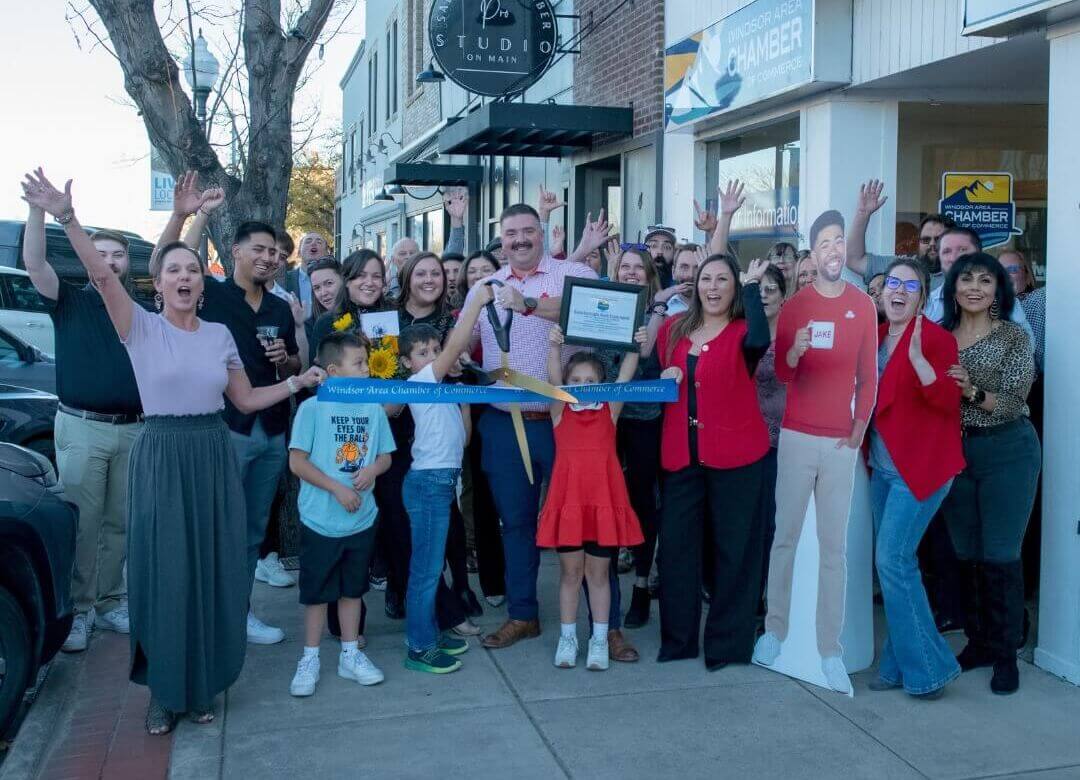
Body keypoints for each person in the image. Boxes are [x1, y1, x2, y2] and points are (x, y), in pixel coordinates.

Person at [23, 170, 324, 734]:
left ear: (201, 284)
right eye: (173, 271)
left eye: (192, 270)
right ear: (157, 284)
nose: (183, 277)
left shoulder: (218, 336)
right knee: (163, 576)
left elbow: (246, 397)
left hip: (212, 451)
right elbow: (98, 274)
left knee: (209, 572)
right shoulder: (138, 326)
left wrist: (296, 382)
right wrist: (66, 216)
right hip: (161, 453)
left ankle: (200, 683)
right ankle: (164, 690)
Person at [465, 204, 638, 663]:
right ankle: (524, 614)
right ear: (500, 238)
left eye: (527, 231)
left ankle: (609, 629)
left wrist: (530, 305)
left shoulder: (571, 272)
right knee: (517, 524)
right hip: (506, 423)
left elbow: (608, 309)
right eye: (510, 233)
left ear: (542, 234)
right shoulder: (484, 288)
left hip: (574, 426)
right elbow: (461, 344)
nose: (519, 240)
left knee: (592, 524)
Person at [168, 198, 303, 646]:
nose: (269, 258)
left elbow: (293, 367)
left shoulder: (281, 309)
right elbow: (178, 261)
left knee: (250, 529)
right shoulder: (212, 294)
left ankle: (240, 613)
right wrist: (197, 215)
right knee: (213, 527)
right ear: (236, 251)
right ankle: (205, 618)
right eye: (260, 249)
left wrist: (287, 360)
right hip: (225, 429)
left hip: (272, 430)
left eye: (276, 253)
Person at [754, 209, 878, 694]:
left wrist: (858, 430)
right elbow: (783, 376)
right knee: (784, 537)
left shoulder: (862, 305)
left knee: (834, 548)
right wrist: (794, 352)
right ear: (813, 248)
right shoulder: (797, 306)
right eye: (824, 241)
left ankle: (830, 649)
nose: (833, 249)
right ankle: (775, 632)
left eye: (839, 240)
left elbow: (869, 377)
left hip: (841, 441)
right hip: (797, 436)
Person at [20, 169, 143, 653]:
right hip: (82, 427)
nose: (109, 261)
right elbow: (33, 262)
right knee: (84, 522)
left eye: (118, 255)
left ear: (127, 264)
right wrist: (38, 208)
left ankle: (112, 602)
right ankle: (79, 610)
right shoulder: (68, 300)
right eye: (102, 253)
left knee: (118, 522)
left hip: (132, 429)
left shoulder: (139, 308)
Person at [655, 256, 772, 669]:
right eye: (707, 278)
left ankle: (728, 647)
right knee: (677, 552)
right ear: (695, 285)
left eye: (724, 280)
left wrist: (753, 287)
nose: (714, 287)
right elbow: (652, 374)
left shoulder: (744, 331)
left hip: (737, 457)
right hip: (681, 456)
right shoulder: (673, 330)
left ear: (734, 288)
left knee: (734, 553)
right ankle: (678, 641)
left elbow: (761, 339)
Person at [865, 260, 965, 699]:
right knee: (894, 566)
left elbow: (948, 403)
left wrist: (922, 363)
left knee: (894, 562)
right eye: (892, 282)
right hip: (883, 469)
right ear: (882, 291)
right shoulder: (873, 335)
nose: (899, 290)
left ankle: (930, 668)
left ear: (923, 296)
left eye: (910, 284)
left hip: (920, 469)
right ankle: (895, 665)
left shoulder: (937, 338)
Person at [940, 252, 1039, 696]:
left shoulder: (1015, 338)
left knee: (1001, 553)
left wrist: (970, 390)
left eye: (986, 279)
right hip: (954, 454)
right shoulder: (940, 336)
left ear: (999, 289)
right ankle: (977, 643)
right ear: (953, 288)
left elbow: (1015, 402)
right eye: (966, 279)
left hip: (1007, 450)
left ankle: (1005, 656)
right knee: (966, 551)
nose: (975, 287)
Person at [390, 287, 493, 673]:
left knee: (431, 568)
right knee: (426, 569)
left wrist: (463, 398)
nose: (434, 357)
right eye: (424, 353)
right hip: (429, 483)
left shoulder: (443, 389)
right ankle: (419, 645)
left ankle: (428, 632)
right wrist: (475, 303)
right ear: (406, 363)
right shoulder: (421, 383)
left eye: (435, 351)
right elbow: (456, 345)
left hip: (443, 479)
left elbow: (463, 441)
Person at [288, 332, 393, 697]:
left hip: (361, 519)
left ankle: (350, 655)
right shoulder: (312, 409)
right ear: (333, 370)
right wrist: (337, 488)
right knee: (317, 594)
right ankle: (310, 658)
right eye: (359, 364)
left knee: (353, 589)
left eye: (366, 362)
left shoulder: (372, 409)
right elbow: (297, 461)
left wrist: (373, 471)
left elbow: (385, 455)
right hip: (320, 519)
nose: (367, 370)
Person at [540, 327, 646, 670]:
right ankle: (567, 637)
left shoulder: (609, 411)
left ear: (602, 383)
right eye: (576, 379)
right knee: (571, 574)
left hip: (602, 501)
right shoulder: (560, 411)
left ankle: (599, 639)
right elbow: (553, 376)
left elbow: (627, 374)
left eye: (590, 379)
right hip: (569, 501)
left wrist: (635, 344)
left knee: (599, 575)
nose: (583, 384)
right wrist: (555, 347)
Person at [598, 244, 665, 628]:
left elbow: (652, 351)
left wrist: (654, 314)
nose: (632, 273)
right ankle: (604, 583)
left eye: (638, 268)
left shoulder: (660, 311)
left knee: (641, 500)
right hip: (605, 416)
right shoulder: (600, 303)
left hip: (643, 417)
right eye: (625, 267)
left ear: (649, 274)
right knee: (607, 496)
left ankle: (641, 584)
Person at [454, 250, 505, 607]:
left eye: (487, 270)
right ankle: (478, 578)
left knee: (496, 497)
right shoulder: (460, 316)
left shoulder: (512, 309)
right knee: (474, 492)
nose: (480, 275)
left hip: (502, 408)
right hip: (465, 409)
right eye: (473, 271)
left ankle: (499, 578)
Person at [923, 229, 1034, 342]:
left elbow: (1028, 346)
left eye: (962, 249)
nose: (954, 258)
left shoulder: (1006, 301)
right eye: (947, 251)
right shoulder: (927, 303)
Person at [753, 264, 788, 610]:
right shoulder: (744, 331)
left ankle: (769, 598)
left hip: (783, 442)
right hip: (749, 440)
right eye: (758, 288)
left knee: (774, 525)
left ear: (783, 295)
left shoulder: (795, 336)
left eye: (770, 289)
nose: (763, 295)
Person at [845, 179, 955, 285]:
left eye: (938, 239)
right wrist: (863, 214)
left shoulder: (964, 276)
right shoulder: (901, 266)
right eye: (925, 240)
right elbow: (853, 260)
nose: (932, 244)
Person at [285, 232, 331, 316]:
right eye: (308, 241)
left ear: (326, 253)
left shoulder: (335, 280)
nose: (313, 243)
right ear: (299, 252)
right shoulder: (284, 279)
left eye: (319, 242)